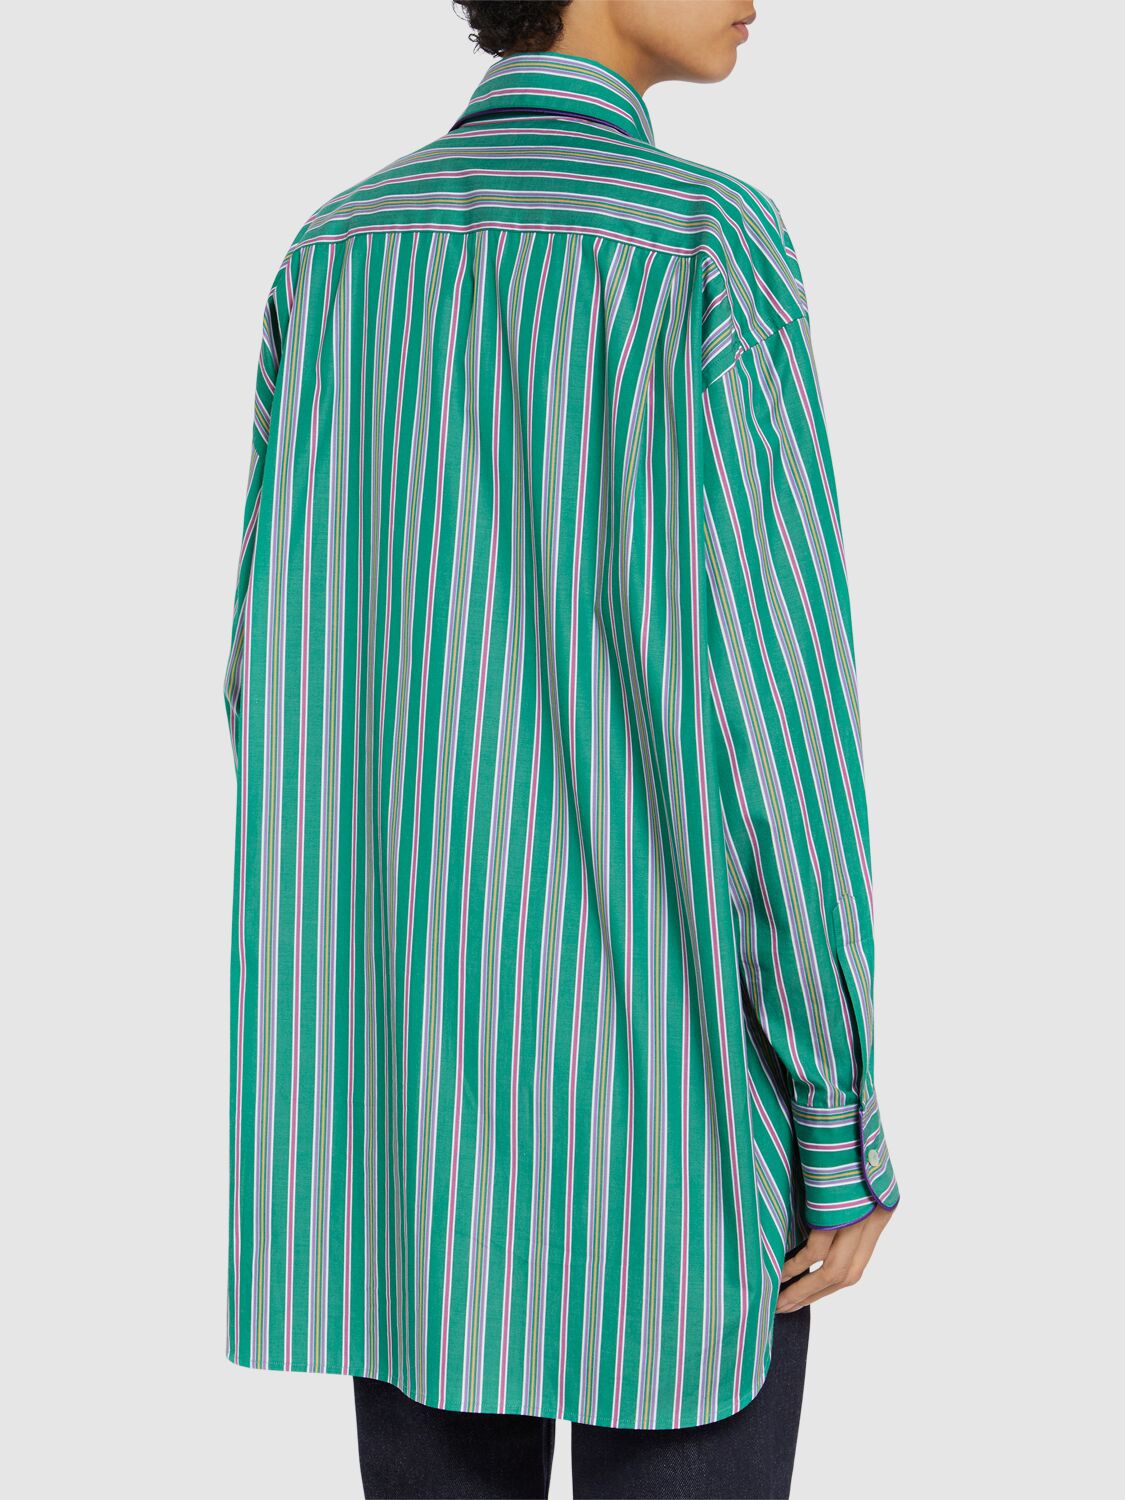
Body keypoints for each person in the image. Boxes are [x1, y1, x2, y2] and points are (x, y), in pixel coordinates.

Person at [221, 2, 901, 1495]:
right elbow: (777, 708)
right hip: (665, 1134)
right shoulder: (702, 247)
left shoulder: (336, 254)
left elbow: (266, 681)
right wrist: (834, 1110)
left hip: (400, 1135)